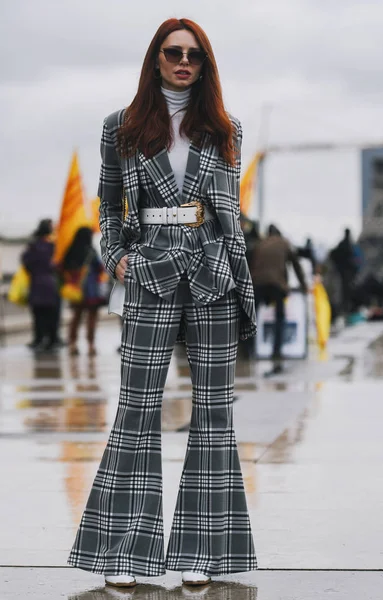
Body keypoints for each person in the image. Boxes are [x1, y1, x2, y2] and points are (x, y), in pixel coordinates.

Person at [67, 18, 257, 589]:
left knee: (215, 417)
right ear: (156, 59)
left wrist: (234, 272)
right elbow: (108, 206)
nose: (183, 62)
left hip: (211, 272)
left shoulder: (225, 128)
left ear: (205, 65)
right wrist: (116, 259)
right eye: (173, 53)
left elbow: (229, 215)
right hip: (148, 272)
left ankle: (202, 552)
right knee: (136, 411)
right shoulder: (120, 128)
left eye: (193, 56)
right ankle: (124, 554)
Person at [251, 224, 307, 373]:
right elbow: (296, 265)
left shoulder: (260, 244)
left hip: (258, 283)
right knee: (279, 318)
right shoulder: (284, 243)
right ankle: (276, 351)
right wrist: (303, 285)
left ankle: (249, 351)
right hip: (277, 284)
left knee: (251, 319)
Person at [61, 227, 107, 356]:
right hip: (91, 290)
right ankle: (91, 345)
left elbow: (63, 268)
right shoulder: (91, 251)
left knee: (76, 317)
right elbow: (99, 268)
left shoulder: (70, 251)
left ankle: (72, 343)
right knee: (91, 318)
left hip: (77, 289)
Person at [22, 218, 59, 352]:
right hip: (50, 284)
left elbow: (25, 261)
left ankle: (38, 339)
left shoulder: (33, 246)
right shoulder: (52, 246)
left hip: (36, 283)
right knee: (51, 314)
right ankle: (51, 340)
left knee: (38, 314)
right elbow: (57, 264)